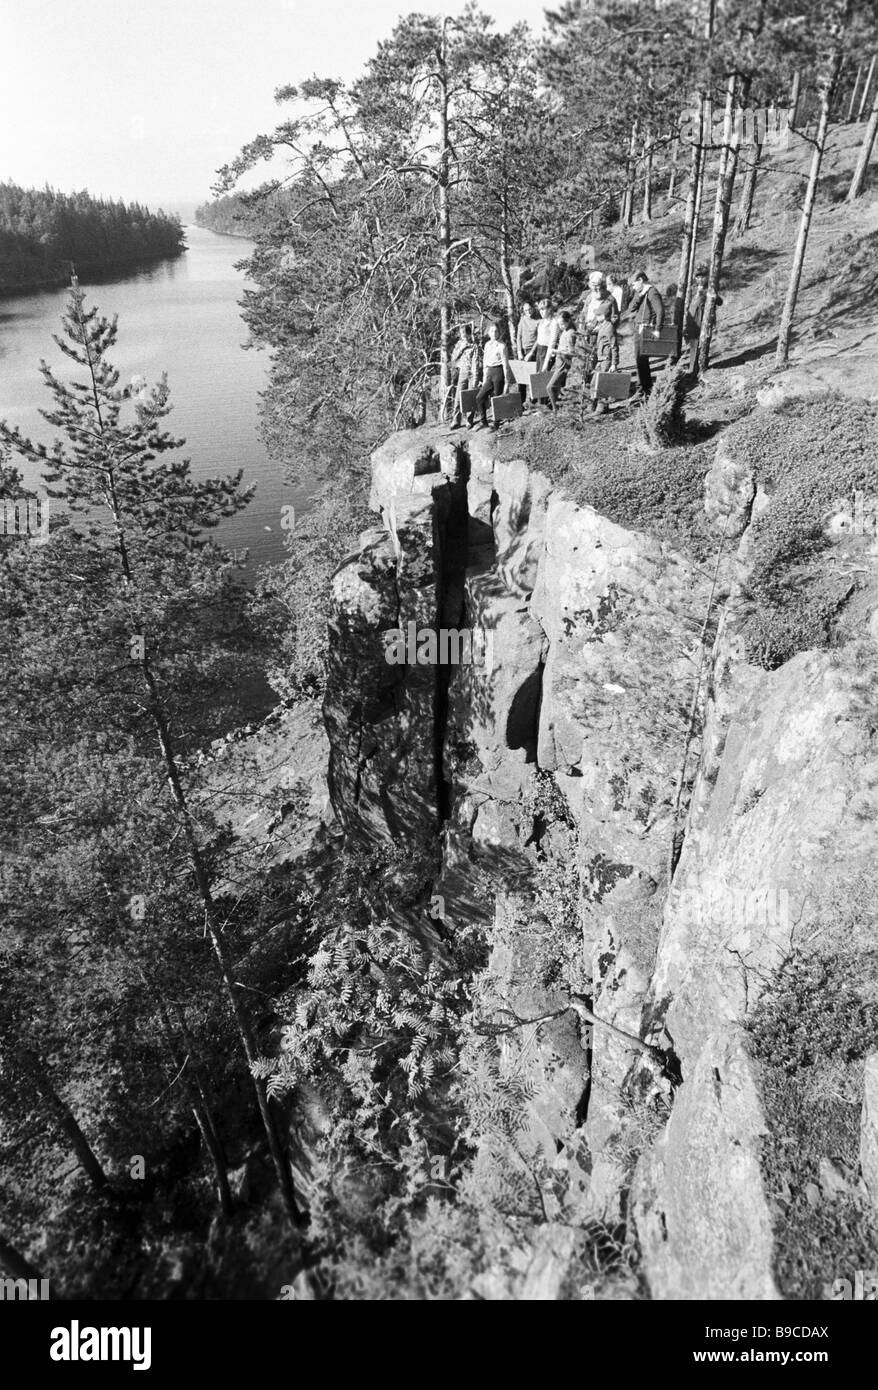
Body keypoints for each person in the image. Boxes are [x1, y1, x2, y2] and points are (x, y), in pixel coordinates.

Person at [630, 269, 665, 399]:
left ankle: (644, 390)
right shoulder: (641, 292)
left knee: (641, 360)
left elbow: (660, 311)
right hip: (639, 329)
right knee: (640, 361)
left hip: (645, 330)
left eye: (634, 284)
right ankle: (644, 389)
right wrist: (640, 295)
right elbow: (631, 308)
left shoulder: (652, 292)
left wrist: (657, 329)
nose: (633, 288)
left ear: (640, 280)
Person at [475, 320, 514, 430]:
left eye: (496, 331)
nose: (494, 333)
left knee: (496, 399)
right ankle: (483, 422)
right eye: (492, 331)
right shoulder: (487, 345)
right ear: (489, 333)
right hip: (489, 373)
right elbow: (485, 362)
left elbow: (506, 365)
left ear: (499, 332)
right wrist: (484, 377)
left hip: (499, 372)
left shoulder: (502, 346)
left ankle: (496, 424)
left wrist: (507, 382)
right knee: (479, 397)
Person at [685, 265, 723, 375]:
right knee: (692, 345)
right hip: (692, 322)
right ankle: (693, 367)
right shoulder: (693, 289)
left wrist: (710, 295)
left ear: (706, 277)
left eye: (702, 277)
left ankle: (697, 369)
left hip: (702, 323)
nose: (700, 279)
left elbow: (719, 301)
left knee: (699, 346)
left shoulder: (709, 289)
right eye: (697, 277)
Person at [590, 300, 621, 414]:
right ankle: (593, 405)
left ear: (603, 316)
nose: (596, 317)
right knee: (594, 382)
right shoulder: (602, 326)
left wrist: (614, 363)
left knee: (602, 383)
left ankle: (601, 407)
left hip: (606, 360)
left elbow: (614, 346)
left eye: (598, 315)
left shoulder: (609, 328)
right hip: (600, 359)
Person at [449, 323, 479, 429]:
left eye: (465, 333)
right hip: (462, 372)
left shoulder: (474, 346)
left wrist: (475, 377)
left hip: (472, 373)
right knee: (458, 397)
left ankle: (469, 420)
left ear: (469, 334)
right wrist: (462, 348)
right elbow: (453, 359)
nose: (463, 335)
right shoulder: (459, 344)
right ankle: (456, 420)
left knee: (470, 397)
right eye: (462, 333)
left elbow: (476, 362)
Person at [546, 310, 577, 411]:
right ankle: (560, 407)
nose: (560, 326)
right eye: (559, 324)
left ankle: (555, 410)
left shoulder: (571, 333)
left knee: (549, 387)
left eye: (562, 324)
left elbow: (572, 352)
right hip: (559, 362)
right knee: (557, 387)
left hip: (564, 363)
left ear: (568, 321)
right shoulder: (565, 331)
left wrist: (557, 351)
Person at [534, 298, 560, 371]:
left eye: (543, 309)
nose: (541, 312)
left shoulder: (554, 322)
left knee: (543, 377)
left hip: (546, 352)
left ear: (549, 309)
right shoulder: (542, 321)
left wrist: (546, 362)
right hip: (539, 351)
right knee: (538, 376)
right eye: (540, 310)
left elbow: (552, 343)